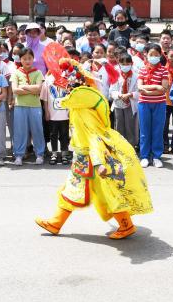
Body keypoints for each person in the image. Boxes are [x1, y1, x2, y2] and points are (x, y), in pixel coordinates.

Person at [34, 59, 152, 239]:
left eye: (67, 85)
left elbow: (94, 136)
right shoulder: (83, 104)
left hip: (91, 157)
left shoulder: (83, 109)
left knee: (104, 191)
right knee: (77, 189)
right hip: (84, 155)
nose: (65, 88)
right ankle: (56, 223)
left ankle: (125, 224)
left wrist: (98, 163)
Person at [10, 48, 46, 166]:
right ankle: (19, 155)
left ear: (33, 58)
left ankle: (39, 154)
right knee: (20, 131)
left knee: (37, 130)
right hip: (20, 106)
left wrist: (24, 87)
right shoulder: (16, 73)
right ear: (20, 59)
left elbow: (39, 89)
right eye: (24, 58)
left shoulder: (38, 72)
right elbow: (15, 90)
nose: (27, 61)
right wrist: (31, 89)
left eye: (29, 58)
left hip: (35, 106)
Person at [136, 44, 169, 167]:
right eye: (151, 55)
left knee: (157, 130)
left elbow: (163, 89)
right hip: (144, 103)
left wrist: (148, 90)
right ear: (146, 55)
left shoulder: (163, 70)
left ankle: (156, 156)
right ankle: (144, 156)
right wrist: (156, 87)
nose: (154, 57)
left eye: (156, 55)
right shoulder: (142, 69)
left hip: (159, 104)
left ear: (160, 55)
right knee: (144, 131)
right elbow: (139, 87)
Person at [110, 54, 139, 149]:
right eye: (123, 63)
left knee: (130, 125)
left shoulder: (136, 76)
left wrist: (130, 95)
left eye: (127, 63)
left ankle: (131, 146)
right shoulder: (116, 75)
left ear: (131, 64)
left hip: (130, 104)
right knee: (119, 125)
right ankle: (120, 147)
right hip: (118, 104)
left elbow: (139, 91)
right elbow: (112, 90)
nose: (125, 65)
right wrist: (119, 95)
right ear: (119, 64)